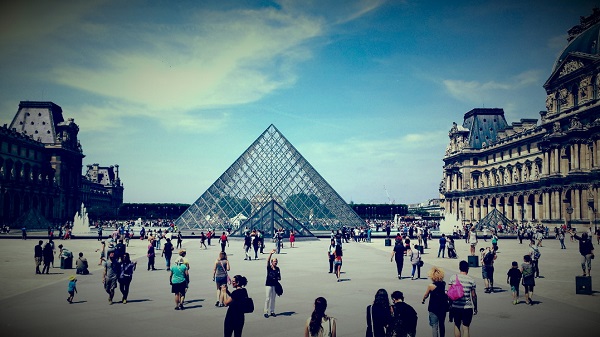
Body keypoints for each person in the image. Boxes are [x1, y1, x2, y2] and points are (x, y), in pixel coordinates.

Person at [448, 260, 477, 337]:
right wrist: (475, 307)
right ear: (468, 268)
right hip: (467, 307)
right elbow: (473, 295)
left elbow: (449, 293)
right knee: (466, 328)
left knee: (457, 325)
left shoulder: (453, 278)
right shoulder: (471, 280)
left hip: (456, 307)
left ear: (459, 268)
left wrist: (450, 305)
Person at [422, 266, 448, 337]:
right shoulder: (443, 284)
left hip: (433, 307)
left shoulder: (431, 286)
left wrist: (423, 299)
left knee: (434, 326)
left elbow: (426, 295)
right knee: (442, 324)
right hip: (442, 307)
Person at [264, 249, 281, 318]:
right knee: (267, 298)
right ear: (272, 262)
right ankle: (265, 311)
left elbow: (279, 277)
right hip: (268, 284)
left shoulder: (277, 269)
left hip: (275, 285)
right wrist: (270, 254)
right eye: (274, 261)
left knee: (273, 298)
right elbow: (267, 261)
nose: (275, 262)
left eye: (276, 261)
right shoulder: (269, 268)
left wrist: (277, 278)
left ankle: (272, 311)